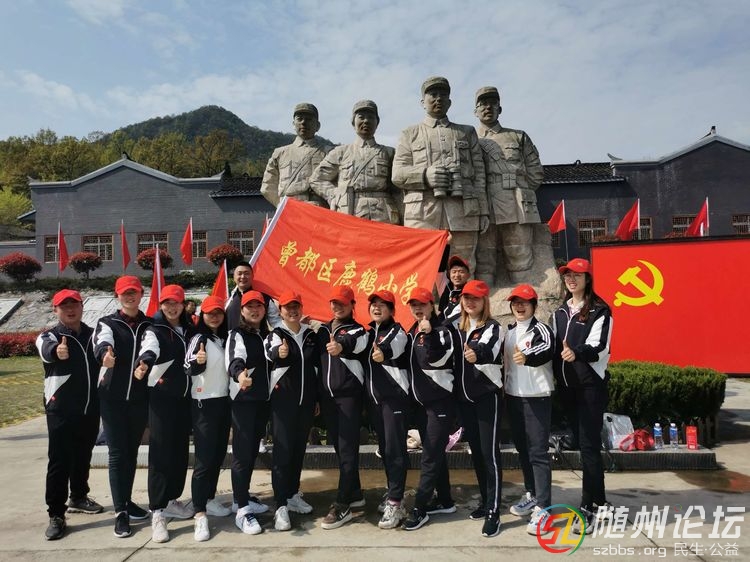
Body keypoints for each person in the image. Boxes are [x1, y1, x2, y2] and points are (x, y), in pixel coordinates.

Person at [392, 76, 488, 274]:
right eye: (433, 94)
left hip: (463, 210)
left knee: (464, 266)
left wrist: (484, 210)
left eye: (443, 95)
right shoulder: (410, 133)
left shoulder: (466, 132)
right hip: (422, 212)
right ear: (423, 102)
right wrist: (424, 175)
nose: (438, 99)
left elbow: (479, 174)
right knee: (422, 267)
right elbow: (397, 174)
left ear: (450, 102)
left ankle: (462, 296)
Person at [552, 258, 613, 534]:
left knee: (589, 447)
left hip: (590, 388)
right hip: (567, 389)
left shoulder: (600, 310)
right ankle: (599, 500)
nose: (571, 279)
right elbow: (553, 346)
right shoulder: (560, 312)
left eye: (577, 275)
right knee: (583, 445)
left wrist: (575, 352)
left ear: (588, 278)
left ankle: (589, 507)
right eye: (567, 275)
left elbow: (599, 347)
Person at [36, 289, 102, 541]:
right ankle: (56, 513)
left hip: (89, 407)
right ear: (55, 310)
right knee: (60, 460)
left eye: (74, 304)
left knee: (83, 455)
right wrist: (56, 351)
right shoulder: (49, 336)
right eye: (64, 306)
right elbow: (45, 350)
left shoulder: (93, 335)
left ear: (82, 307)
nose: (70, 309)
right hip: (60, 410)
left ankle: (79, 496)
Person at [93, 275, 152, 538]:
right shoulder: (108, 323)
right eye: (124, 293)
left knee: (131, 452)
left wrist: (145, 363)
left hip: (139, 399)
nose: (129, 296)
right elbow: (102, 342)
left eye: (134, 292)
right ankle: (120, 513)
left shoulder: (149, 325)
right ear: (117, 296)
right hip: (112, 399)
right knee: (118, 454)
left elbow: (152, 347)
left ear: (141, 294)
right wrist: (105, 354)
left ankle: (126, 501)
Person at [135, 284, 195, 543]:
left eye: (176, 303)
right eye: (167, 303)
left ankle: (171, 500)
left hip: (185, 400)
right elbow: (149, 349)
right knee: (160, 454)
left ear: (183, 305)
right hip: (161, 399)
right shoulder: (155, 330)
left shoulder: (190, 330)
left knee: (180, 452)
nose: (172, 307)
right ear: (161, 305)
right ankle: (157, 511)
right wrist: (144, 363)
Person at [473, 86, 544, 285]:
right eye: (482, 104)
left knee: (519, 252)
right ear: (475, 111)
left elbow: (535, 171)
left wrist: (520, 190)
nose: (488, 107)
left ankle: (524, 296)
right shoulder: (470, 138)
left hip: (514, 201)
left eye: (492, 103)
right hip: (484, 202)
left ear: (500, 109)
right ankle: (485, 299)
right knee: (484, 256)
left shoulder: (518, 136)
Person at [264, 290, 320, 531]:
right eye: (288, 307)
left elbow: (316, 368)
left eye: (296, 306)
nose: (292, 311)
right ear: (281, 311)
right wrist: (280, 353)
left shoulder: (310, 335)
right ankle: (280, 505)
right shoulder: (275, 335)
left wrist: (315, 399)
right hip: (283, 404)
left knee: (298, 451)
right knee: (283, 453)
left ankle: (292, 494)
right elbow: (270, 352)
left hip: (306, 404)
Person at [451, 279, 504, 538]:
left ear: (484, 301)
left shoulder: (493, 327)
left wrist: (476, 353)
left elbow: (489, 349)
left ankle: (494, 510)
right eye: (466, 298)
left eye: (475, 298)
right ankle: (485, 501)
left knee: (490, 454)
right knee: (477, 454)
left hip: (486, 398)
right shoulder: (457, 327)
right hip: (465, 401)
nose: (470, 302)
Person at [402, 287, 456, 531]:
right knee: (434, 453)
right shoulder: (412, 331)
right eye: (413, 305)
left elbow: (439, 359)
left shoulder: (442, 329)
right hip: (422, 404)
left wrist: (430, 333)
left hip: (440, 402)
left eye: (422, 304)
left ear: (432, 305)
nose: (417, 308)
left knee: (430, 455)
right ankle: (445, 500)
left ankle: (420, 508)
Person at [503, 284, 555, 536]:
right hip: (514, 397)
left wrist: (527, 356)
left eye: (524, 302)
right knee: (523, 450)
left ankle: (545, 508)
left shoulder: (541, 329)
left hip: (536, 398)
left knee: (538, 453)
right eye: (515, 303)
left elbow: (546, 349)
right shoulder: (509, 332)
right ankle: (532, 494)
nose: (519, 306)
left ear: (534, 305)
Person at [316, 286, 369, 530]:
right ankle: (355, 492)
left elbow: (353, 343)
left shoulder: (358, 330)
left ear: (352, 305)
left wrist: (340, 347)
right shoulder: (322, 330)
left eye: (343, 303)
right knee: (340, 449)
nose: (338, 307)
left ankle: (342, 504)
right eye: (335, 303)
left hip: (349, 398)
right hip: (328, 398)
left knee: (348, 450)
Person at [184, 295, 232, 541]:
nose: (214, 317)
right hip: (204, 403)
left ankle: (210, 498)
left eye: (218, 313)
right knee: (203, 460)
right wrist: (197, 362)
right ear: (202, 316)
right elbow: (188, 365)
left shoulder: (223, 339)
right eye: (210, 313)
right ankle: (199, 512)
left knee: (217, 455)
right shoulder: (198, 338)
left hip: (224, 401)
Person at [226, 290, 272, 535]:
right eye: (249, 307)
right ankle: (242, 510)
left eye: (259, 306)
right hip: (244, 401)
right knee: (242, 454)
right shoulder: (237, 334)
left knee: (252, 451)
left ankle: (240, 497)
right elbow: (235, 358)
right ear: (242, 311)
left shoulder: (268, 335)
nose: (254, 310)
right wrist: (239, 374)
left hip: (263, 401)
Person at [364, 289, 410, 530]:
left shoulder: (396, 331)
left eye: (382, 305)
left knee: (395, 450)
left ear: (392, 310)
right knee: (385, 449)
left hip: (394, 400)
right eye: (373, 304)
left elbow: (395, 347)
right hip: (376, 401)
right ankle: (393, 492)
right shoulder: (369, 331)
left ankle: (396, 502)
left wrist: (383, 354)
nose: (376, 308)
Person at [310, 100, 399, 224]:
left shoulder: (389, 153)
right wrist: (334, 195)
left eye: (371, 117)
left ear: (377, 122)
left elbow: (397, 188)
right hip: (350, 212)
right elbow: (317, 179)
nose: (366, 121)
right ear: (353, 122)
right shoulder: (340, 152)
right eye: (361, 117)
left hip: (383, 214)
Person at [261, 103, 333, 208]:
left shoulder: (330, 153)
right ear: (293, 124)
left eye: (309, 119)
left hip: (318, 210)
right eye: (299, 119)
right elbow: (267, 186)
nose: (303, 122)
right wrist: (282, 205)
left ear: (317, 126)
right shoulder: (280, 153)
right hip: (289, 210)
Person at [225, 261, 280, 331]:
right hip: (232, 337)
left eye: (246, 273)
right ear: (234, 277)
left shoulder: (264, 298)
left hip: (258, 337)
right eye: (239, 274)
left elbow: (276, 322)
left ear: (252, 276)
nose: (243, 277)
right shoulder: (228, 299)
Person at [437, 254, 471, 326]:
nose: (457, 275)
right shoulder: (446, 287)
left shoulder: (469, 294)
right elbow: (440, 269)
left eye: (461, 272)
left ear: (468, 275)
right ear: (449, 274)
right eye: (454, 272)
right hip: (441, 328)